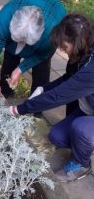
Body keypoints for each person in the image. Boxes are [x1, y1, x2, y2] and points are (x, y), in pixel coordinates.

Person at [9, 14, 94, 182]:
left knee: (81, 129)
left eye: (64, 46)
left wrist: (18, 109)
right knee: (56, 136)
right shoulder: (81, 53)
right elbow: (67, 80)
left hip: (88, 114)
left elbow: (59, 96)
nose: (62, 50)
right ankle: (85, 142)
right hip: (89, 108)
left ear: (77, 41)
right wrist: (43, 88)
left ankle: (82, 164)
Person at [0, 0, 66, 99]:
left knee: (41, 72)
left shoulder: (53, 31)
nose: (21, 45)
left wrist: (20, 69)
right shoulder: (5, 18)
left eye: (26, 42)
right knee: (10, 59)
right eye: (18, 39)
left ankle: (37, 105)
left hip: (52, 16)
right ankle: (5, 92)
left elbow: (42, 55)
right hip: (20, 15)